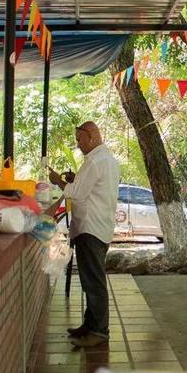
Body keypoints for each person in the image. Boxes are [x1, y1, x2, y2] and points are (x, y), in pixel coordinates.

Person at [49, 121, 120, 348]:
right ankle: (90, 325)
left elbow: (77, 195)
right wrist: (73, 180)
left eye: (80, 139)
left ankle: (99, 332)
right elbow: (87, 187)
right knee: (90, 281)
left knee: (94, 282)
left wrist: (58, 181)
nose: (78, 144)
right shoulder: (105, 158)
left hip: (91, 228)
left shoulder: (97, 160)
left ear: (91, 136)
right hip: (96, 226)